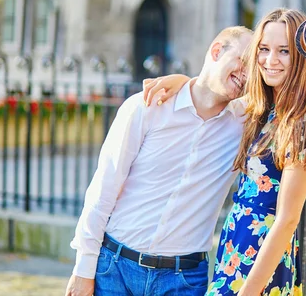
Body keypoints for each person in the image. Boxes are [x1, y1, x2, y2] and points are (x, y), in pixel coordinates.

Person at [143, 8, 306, 296]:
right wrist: (181, 81)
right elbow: (210, 91)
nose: (270, 60)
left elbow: (288, 219)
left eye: (284, 51)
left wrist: (249, 290)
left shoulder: (302, 122)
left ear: (302, 57)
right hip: (236, 253)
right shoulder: (270, 110)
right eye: (264, 49)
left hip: (260, 266)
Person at [65, 25, 252, 296]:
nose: (246, 75)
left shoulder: (244, 125)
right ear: (216, 50)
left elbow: (293, 103)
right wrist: (83, 268)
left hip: (184, 280)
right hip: (114, 269)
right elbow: (103, 189)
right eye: (242, 61)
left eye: (253, 71)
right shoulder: (146, 106)